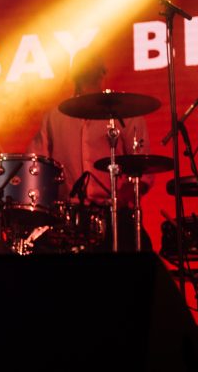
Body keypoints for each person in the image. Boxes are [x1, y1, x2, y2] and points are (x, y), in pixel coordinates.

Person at [28, 49, 153, 251]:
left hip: (115, 215)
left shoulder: (126, 114)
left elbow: (143, 171)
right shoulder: (54, 117)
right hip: (69, 219)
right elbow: (35, 167)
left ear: (103, 73)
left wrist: (123, 197)